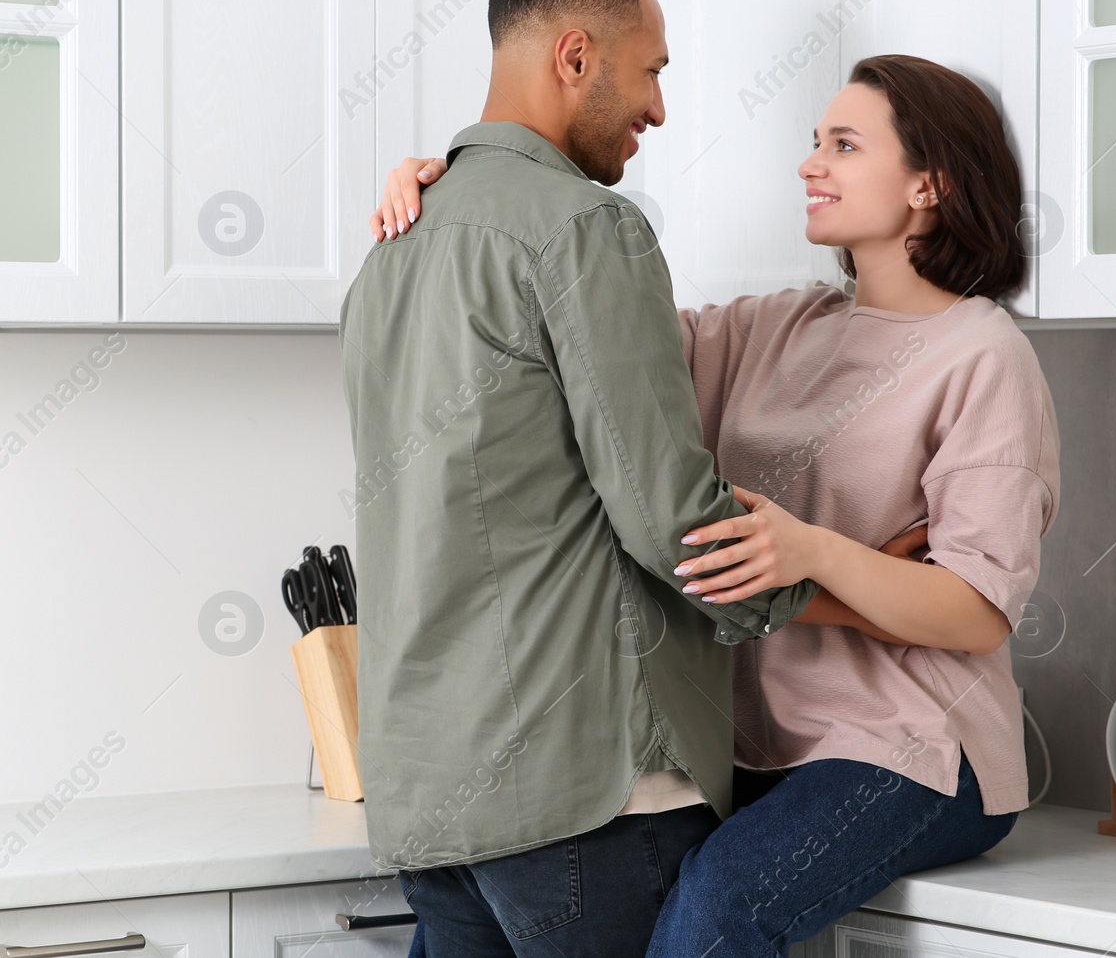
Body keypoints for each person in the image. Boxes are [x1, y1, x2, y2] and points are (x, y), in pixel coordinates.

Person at [371, 54, 1060, 957]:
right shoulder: (773, 326)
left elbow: (973, 610)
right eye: (815, 142)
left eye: (844, 145)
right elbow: (592, 336)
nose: (810, 164)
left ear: (928, 183)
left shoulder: (982, 354)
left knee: (720, 898)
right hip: (757, 741)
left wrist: (808, 550)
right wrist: (470, 189)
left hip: (911, 747)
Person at [339, 0, 821, 957]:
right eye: (649, 71)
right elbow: (668, 517)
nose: (656, 107)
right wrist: (820, 577)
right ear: (574, 56)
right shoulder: (587, 228)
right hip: (584, 791)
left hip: (431, 793)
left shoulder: (392, 246)